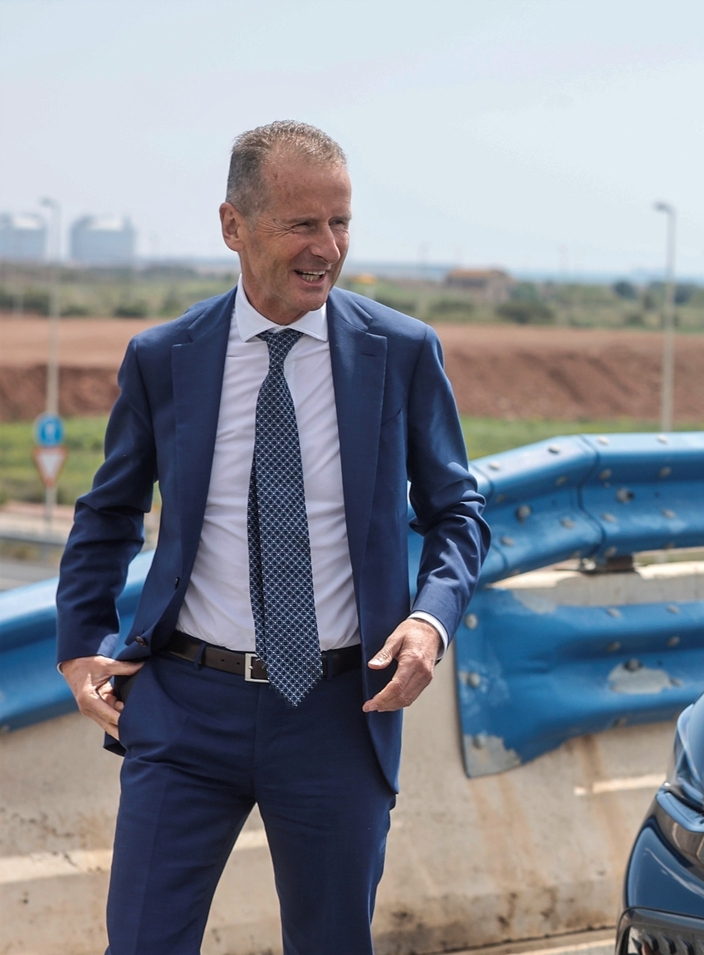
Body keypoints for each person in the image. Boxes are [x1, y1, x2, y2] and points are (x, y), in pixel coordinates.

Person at [55, 120, 489, 955]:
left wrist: (430, 622)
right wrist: (80, 646)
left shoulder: (400, 352)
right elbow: (107, 511)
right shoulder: (163, 357)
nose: (327, 246)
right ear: (233, 227)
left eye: (342, 222)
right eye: (302, 223)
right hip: (184, 708)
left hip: (337, 709)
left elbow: (458, 513)